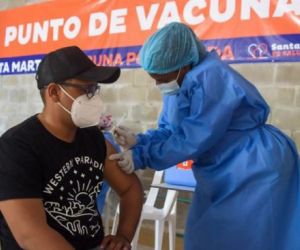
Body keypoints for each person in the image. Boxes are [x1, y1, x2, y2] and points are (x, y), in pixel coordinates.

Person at [110, 22, 300, 250]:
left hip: (254, 165)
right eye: (154, 78)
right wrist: (140, 140)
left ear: (183, 64)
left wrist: (141, 157)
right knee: (207, 237)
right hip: (224, 168)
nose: (158, 84)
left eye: (161, 77)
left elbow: (193, 138)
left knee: (251, 239)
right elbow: (171, 130)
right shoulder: (178, 82)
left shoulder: (210, 77)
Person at [0, 46, 143, 250]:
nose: (93, 98)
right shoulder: (16, 147)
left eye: (95, 89)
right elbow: (30, 234)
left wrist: (123, 236)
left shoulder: (94, 138)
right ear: (54, 92)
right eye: (86, 90)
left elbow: (130, 188)